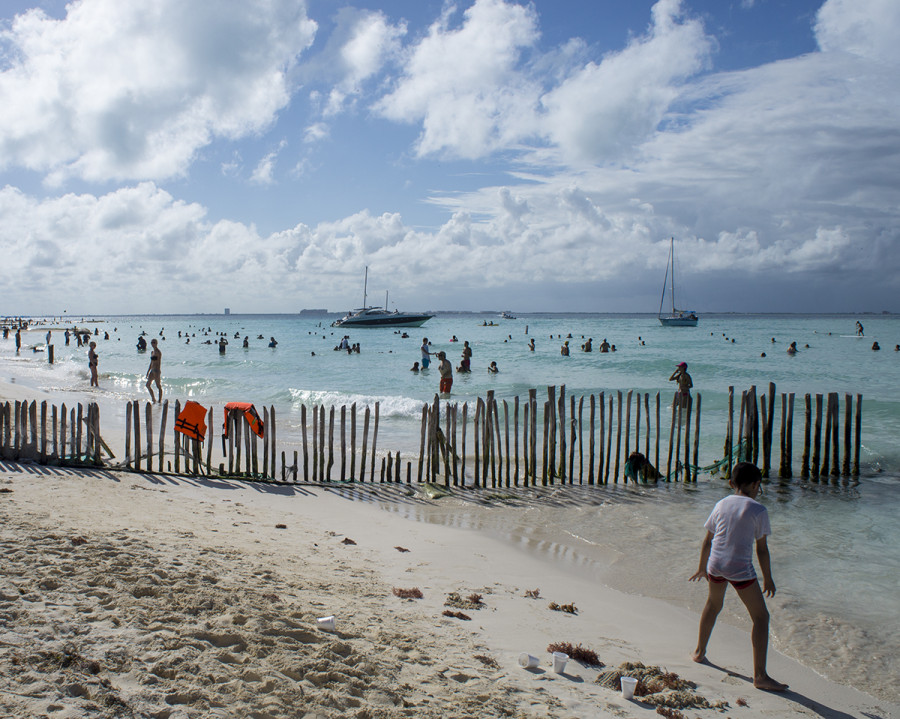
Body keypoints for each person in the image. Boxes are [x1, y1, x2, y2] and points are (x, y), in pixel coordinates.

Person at [690, 462, 788, 693]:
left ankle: (699, 652)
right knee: (761, 617)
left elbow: (708, 540)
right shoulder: (758, 510)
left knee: (713, 605)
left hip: (715, 564)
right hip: (739, 568)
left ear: (732, 483)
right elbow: (761, 549)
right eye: (758, 487)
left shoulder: (721, 503)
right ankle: (760, 676)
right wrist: (768, 578)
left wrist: (702, 568)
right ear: (756, 484)